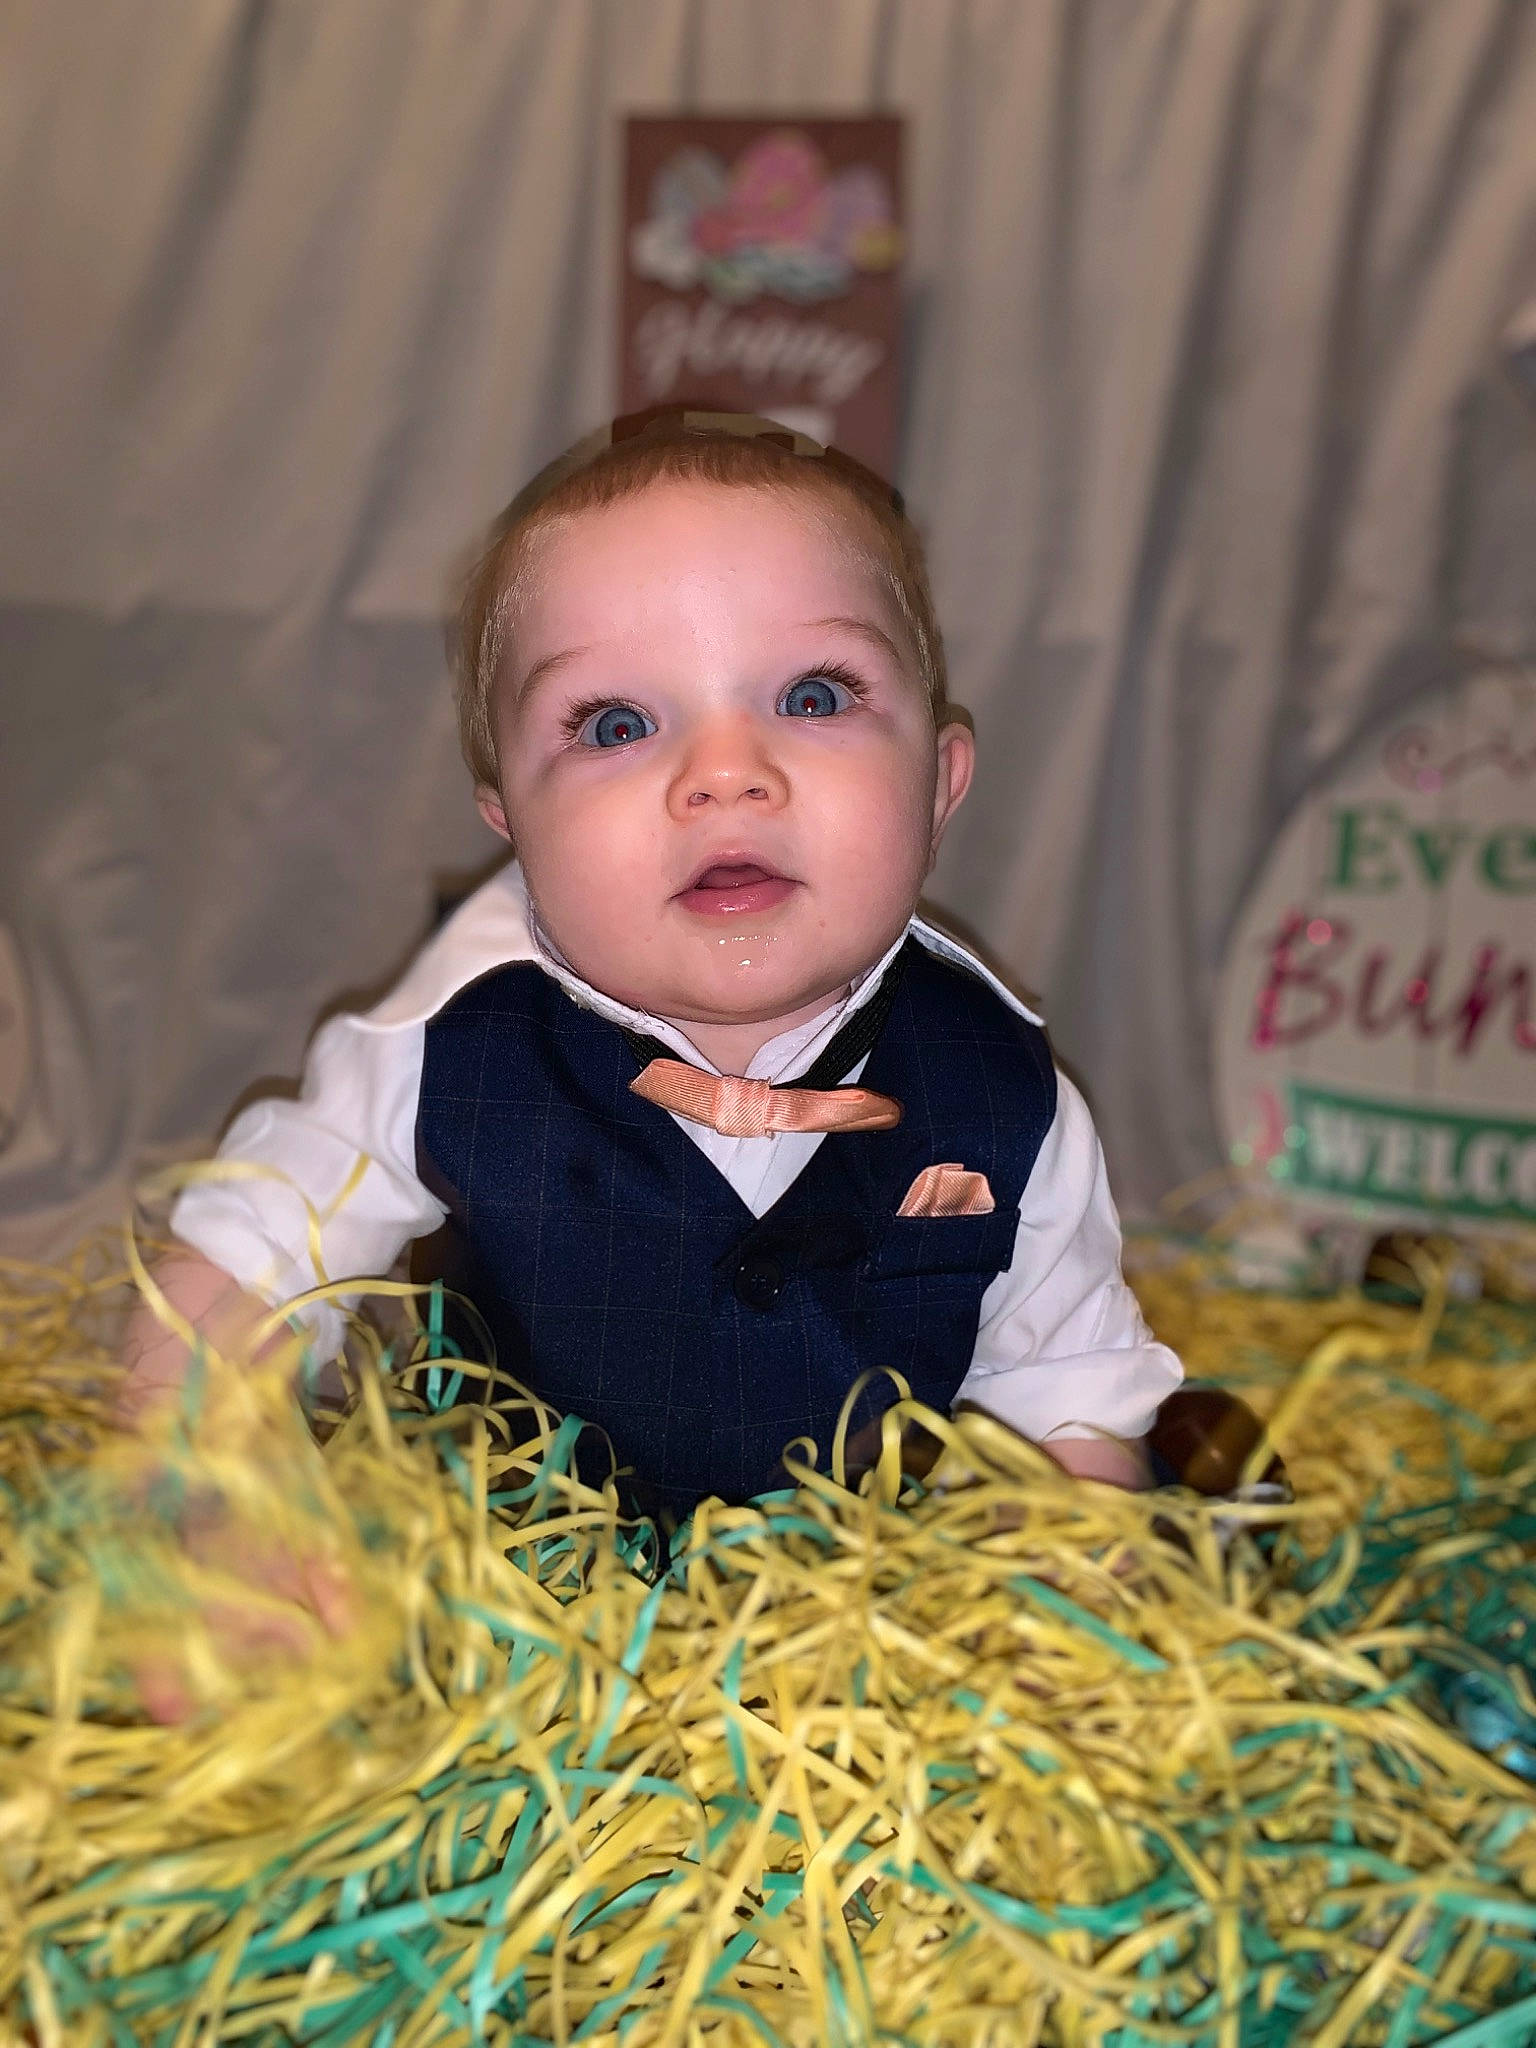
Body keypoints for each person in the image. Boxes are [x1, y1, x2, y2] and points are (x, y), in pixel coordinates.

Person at [123, 408, 1182, 1523]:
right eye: (617, 724)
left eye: (814, 697)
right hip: (508, 1583)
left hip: (866, 1602)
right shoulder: (443, 1053)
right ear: (512, 821)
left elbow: (1069, 1391)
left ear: (938, 783)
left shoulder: (1006, 1093)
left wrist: (1070, 1553)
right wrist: (205, 1506)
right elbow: (240, 1268)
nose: (724, 773)